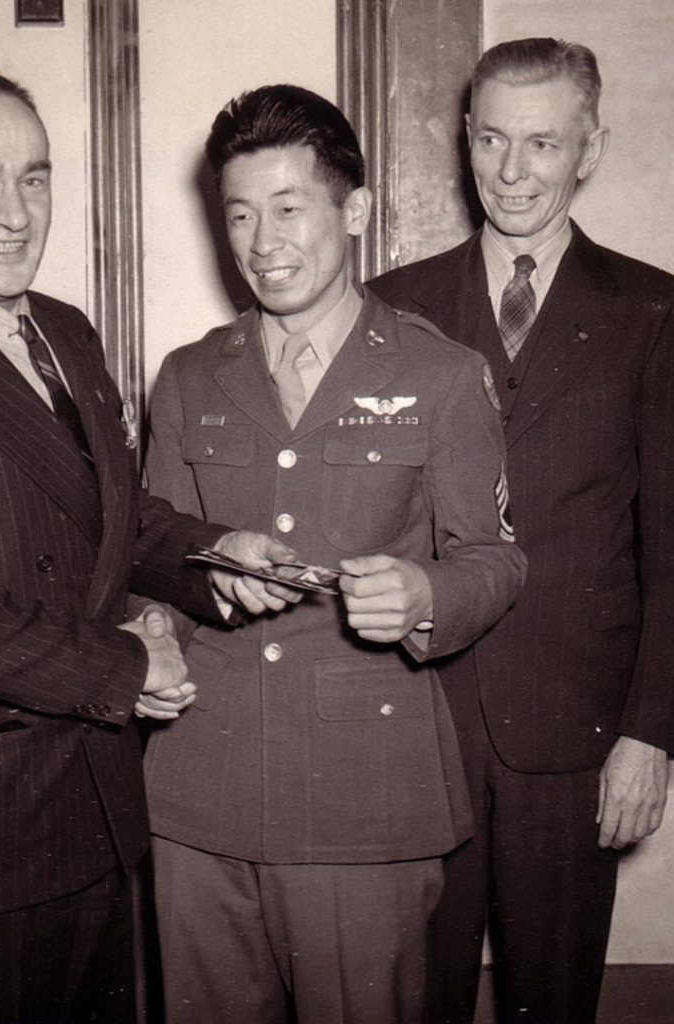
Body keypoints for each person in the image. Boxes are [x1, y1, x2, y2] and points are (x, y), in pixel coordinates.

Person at [0, 67, 297, 1024]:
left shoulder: (66, 333)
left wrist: (217, 554)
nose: (14, 213)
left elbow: (111, 519)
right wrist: (127, 664)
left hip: (93, 815)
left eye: (33, 178)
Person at [141, 84, 527, 1024]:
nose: (263, 242)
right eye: (239, 214)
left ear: (352, 211)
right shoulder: (190, 375)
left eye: (288, 208)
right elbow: (149, 549)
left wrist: (426, 591)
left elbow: (496, 555)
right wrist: (162, 616)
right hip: (203, 789)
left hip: (365, 799)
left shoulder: (440, 374)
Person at [370, 37, 674, 1024]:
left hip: (576, 737)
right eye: (492, 140)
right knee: (418, 998)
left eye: (541, 145)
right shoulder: (396, 305)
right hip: (422, 727)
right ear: (463, 140)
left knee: (554, 1001)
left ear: (587, 149)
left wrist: (649, 734)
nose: (512, 171)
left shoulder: (652, 311)